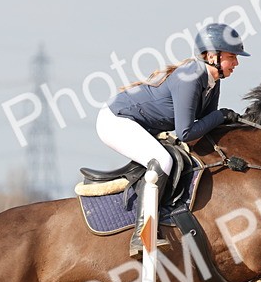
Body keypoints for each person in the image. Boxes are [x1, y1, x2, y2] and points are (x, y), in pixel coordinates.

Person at [97, 22, 249, 255]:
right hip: (115, 121)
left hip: (140, 124)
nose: (237, 63)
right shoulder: (190, 77)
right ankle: (142, 235)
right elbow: (186, 134)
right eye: (232, 57)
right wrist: (221, 116)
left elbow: (204, 132)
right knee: (163, 160)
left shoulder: (212, 81)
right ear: (212, 56)